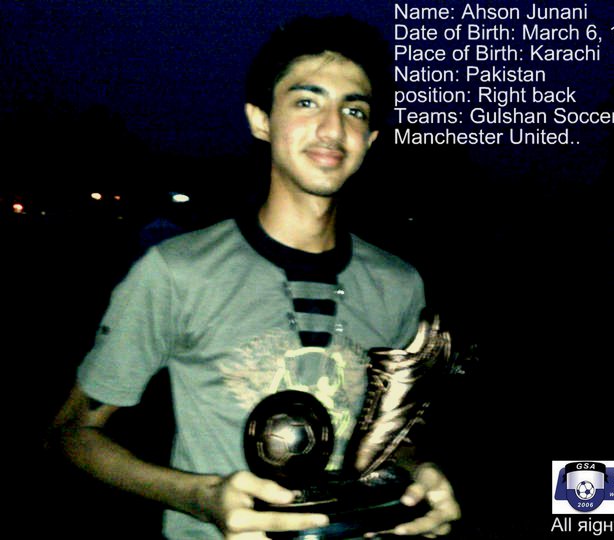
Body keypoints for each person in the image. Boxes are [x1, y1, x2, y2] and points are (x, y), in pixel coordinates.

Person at [50, 14, 461, 539]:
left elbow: (390, 432)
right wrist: (200, 497)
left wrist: (418, 473)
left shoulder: (400, 284)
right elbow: (71, 432)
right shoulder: (177, 271)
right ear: (261, 120)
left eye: (354, 110)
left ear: (371, 138)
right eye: (307, 102)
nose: (333, 128)